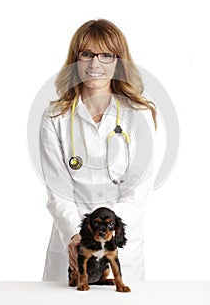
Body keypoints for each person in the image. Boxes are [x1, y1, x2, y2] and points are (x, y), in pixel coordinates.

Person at [40, 19, 157, 284]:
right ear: (75, 59)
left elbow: (138, 191)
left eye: (106, 55)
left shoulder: (139, 115)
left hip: (119, 246)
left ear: (119, 61)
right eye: (86, 54)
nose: (95, 64)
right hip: (71, 245)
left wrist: (105, 234)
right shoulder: (54, 117)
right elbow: (57, 189)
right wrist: (76, 235)